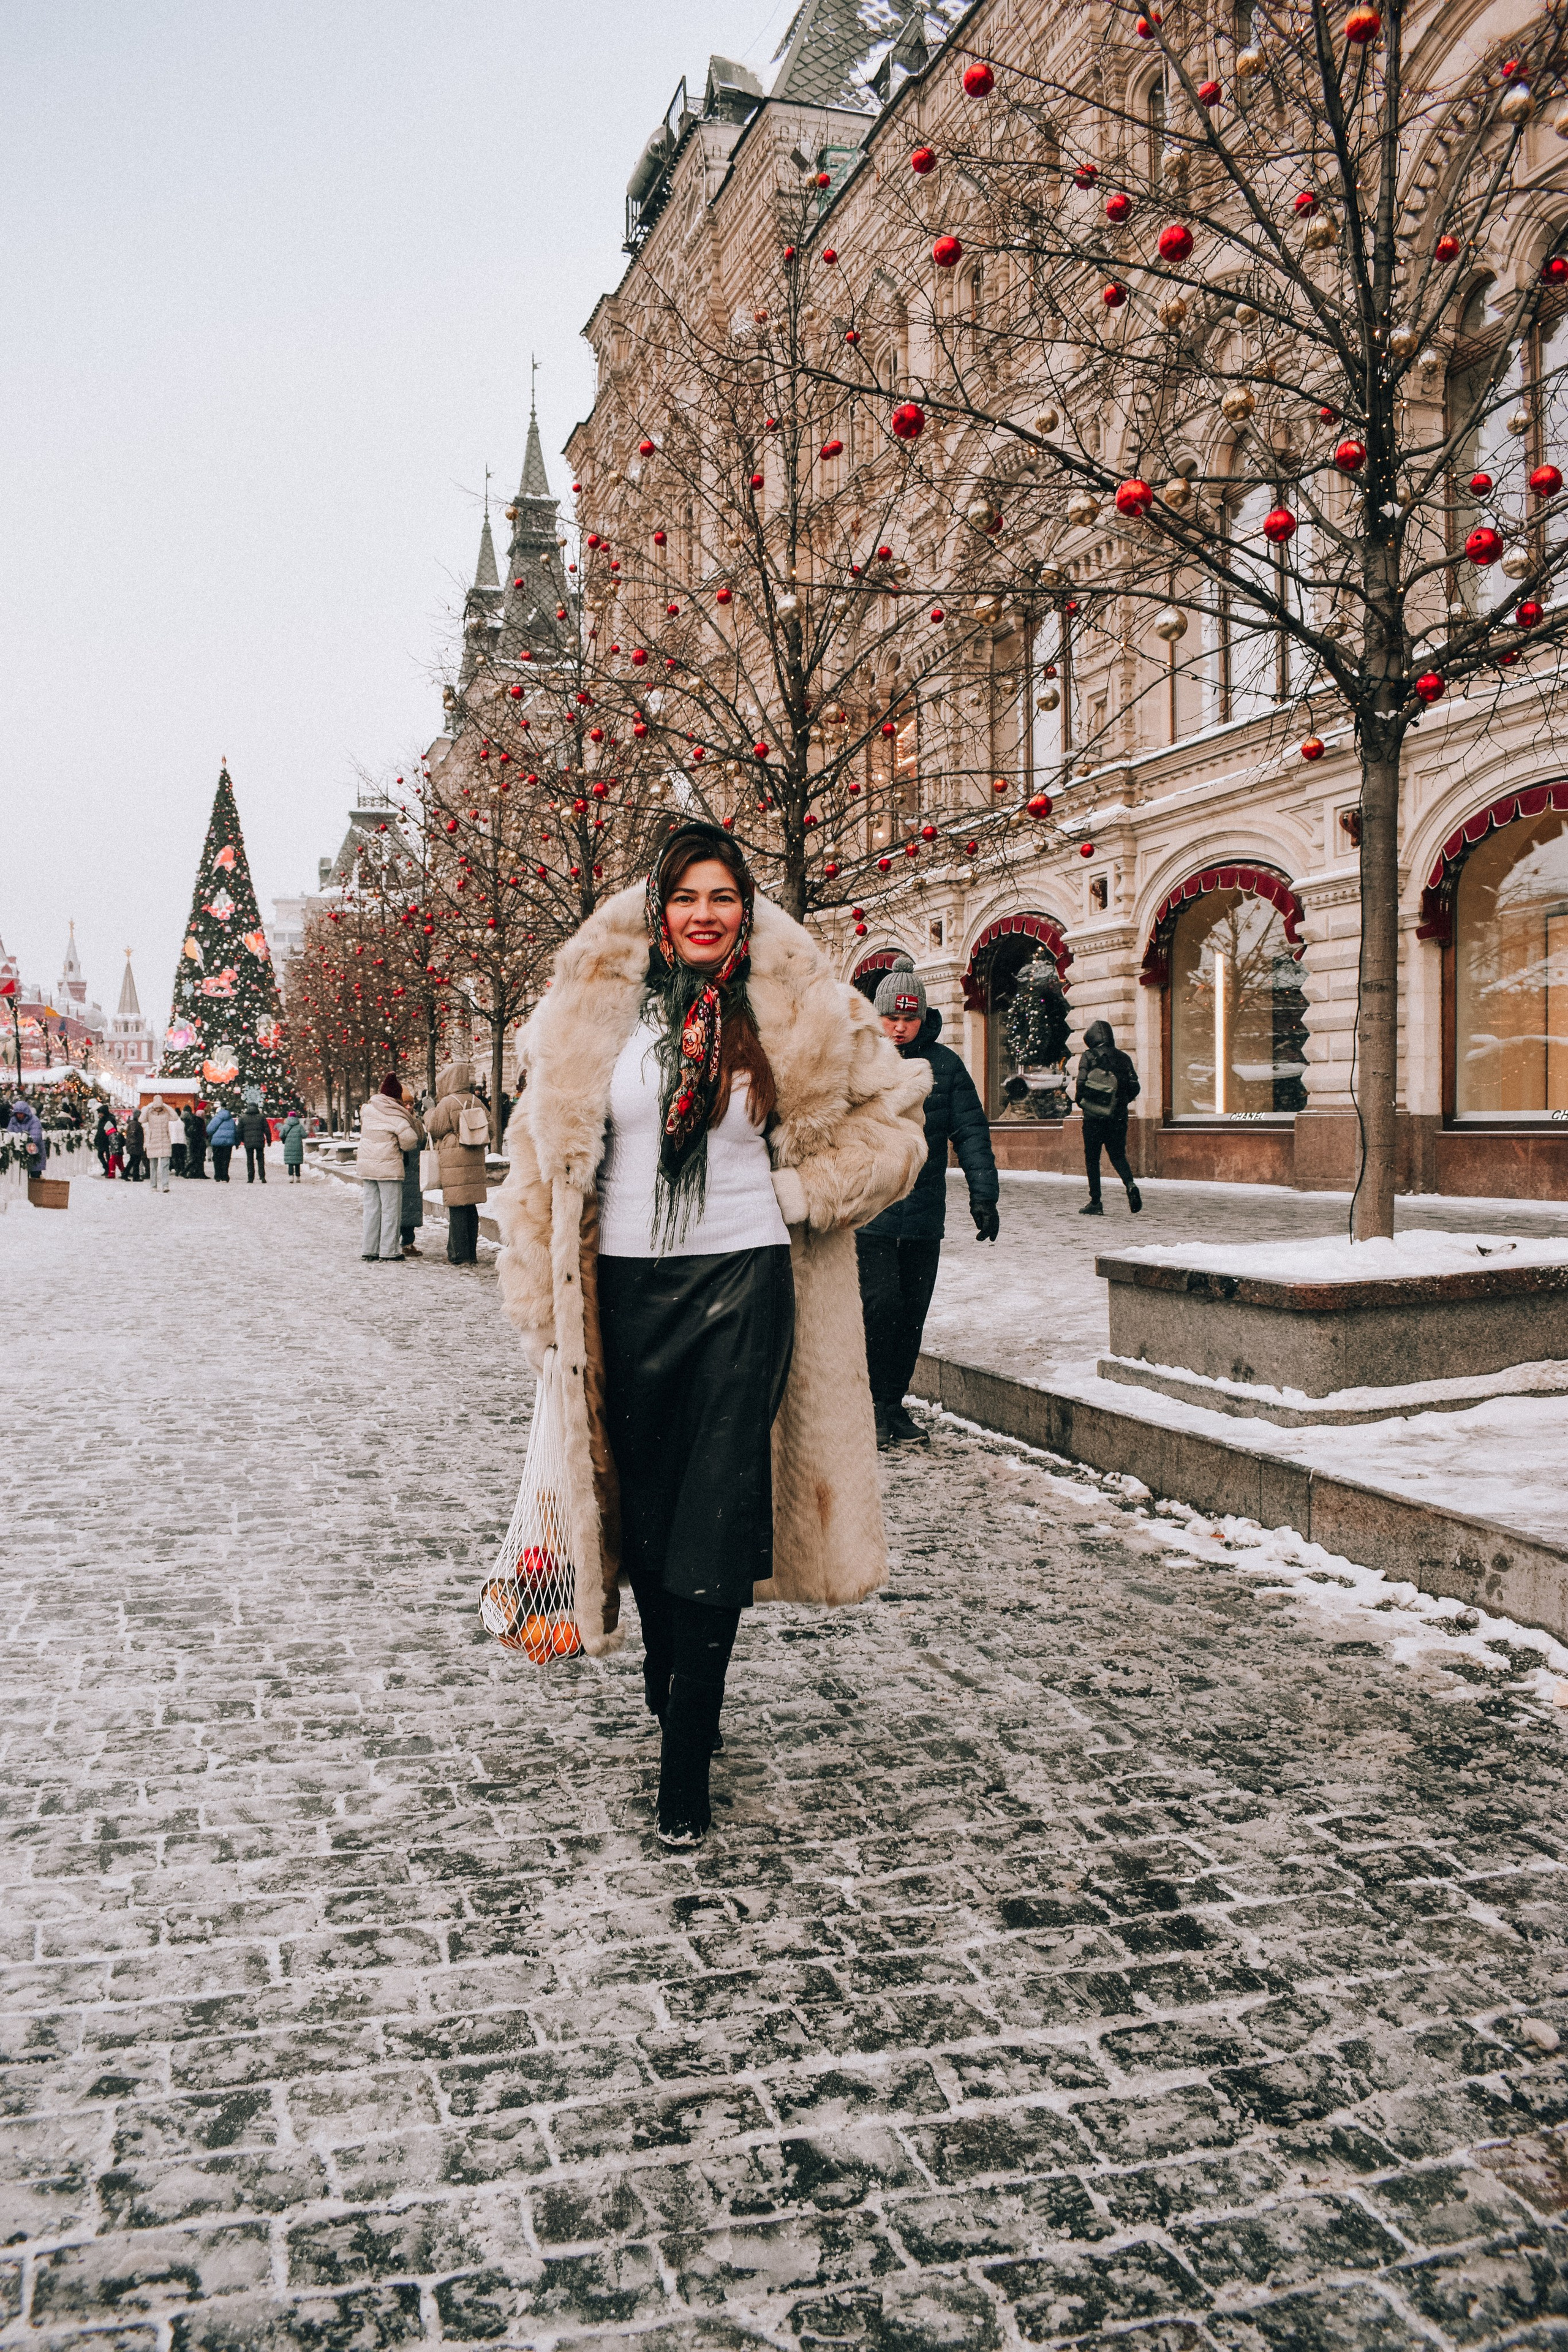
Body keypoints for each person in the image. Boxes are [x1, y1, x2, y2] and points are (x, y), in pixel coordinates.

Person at [493, 821, 928, 1848]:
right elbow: (536, 1164)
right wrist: (540, 1307)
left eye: (722, 896)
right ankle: (664, 1654)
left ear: (745, 907)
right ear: (659, 907)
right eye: (685, 896)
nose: (703, 914)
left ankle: (690, 1741)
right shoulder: (591, 1015)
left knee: (720, 1502)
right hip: (622, 1293)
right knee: (641, 1503)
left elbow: (895, 1124)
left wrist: (801, 1189)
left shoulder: (797, 1002)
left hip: (745, 1280)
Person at [856, 956, 1000, 1450]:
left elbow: (972, 1131)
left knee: (912, 1312)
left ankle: (893, 1405)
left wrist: (985, 1195)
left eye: (908, 1018)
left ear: (923, 1018)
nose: (899, 1027)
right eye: (891, 1018)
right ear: (876, 1016)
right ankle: (869, 1407)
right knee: (881, 1308)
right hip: (870, 1216)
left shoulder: (945, 1065)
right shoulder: (858, 1058)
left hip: (922, 1217)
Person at [1076, 1018, 1143, 1216]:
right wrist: (1119, 1103)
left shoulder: (1088, 1056)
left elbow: (1080, 1086)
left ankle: (1096, 1202)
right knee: (1118, 1155)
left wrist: (1085, 1103)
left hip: (1093, 1118)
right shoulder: (1124, 1058)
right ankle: (1130, 1184)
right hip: (1119, 1117)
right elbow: (1135, 1087)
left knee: (1092, 1158)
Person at [428, 1061, 488, 1264]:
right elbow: (492, 1129)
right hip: (474, 1158)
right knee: (471, 1208)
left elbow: (435, 1129)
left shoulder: (447, 1103)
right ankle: (472, 1253)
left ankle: (458, 1254)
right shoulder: (477, 1101)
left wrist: (430, 1113)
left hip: (454, 1159)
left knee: (457, 1208)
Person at [356, 1073, 418, 1261]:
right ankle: (389, 1251)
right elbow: (410, 1141)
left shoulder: (368, 1111)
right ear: (396, 1097)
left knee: (372, 1209)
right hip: (389, 1169)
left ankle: (369, 1249)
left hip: (368, 1167)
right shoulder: (396, 1115)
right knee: (391, 1210)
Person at [398, 1084, 428, 1256]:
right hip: (402, 1168)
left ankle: (408, 1243)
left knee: (410, 1209)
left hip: (414, 1170)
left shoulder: (417, 1123)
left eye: (411, 1104)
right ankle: (399, 1243)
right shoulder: (400, 1122)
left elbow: (422, 1142)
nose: (409, 1107)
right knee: (401, 1208)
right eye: (405, 1104)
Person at [142, 1095, 176, 1192]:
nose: (158, 1109)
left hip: (165, 1141)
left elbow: (175, 1117)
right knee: (153, 1166)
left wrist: (166, 1106)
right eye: (156, 1107)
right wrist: (148, 1107)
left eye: (159, 1107)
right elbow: (141, 1119)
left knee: (165, 1166)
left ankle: (165, 1186)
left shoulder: (166, 1113)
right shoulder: (149, 1113)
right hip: (153, 1142)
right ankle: (153, 1186)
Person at [7, 1092, 45, 1178]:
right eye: (18, 1113)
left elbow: (37, 1136)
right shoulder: (13, 1120)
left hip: (32, 1149)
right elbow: (10, 1133)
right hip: (17, 1149)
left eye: (21, 1113)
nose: (19, 1115)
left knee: (34, 1171)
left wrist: (25, 1142)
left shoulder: (34, 1121)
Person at [237, 1099, 269, 1184]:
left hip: (248, 1142)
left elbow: (239, 1131)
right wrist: (269, 1140)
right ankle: (262, 1176)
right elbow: (267, 1129)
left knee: (250, 1160)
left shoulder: (243, 1118)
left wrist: (242, 1140)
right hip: (260, 1141)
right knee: (261, 1159)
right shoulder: (261, 1117)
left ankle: (250, 1178)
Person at [206, 1102, 236, 1182]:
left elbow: (210, 1129)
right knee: (226, 1159)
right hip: (228, 1142)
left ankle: (217, 1175)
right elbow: (235, 1131)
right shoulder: (231, 1120)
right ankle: (225, 1176)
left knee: (217, 1158)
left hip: (217, 1141)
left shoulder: (217, 1118)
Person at [182, 1105, 207, 1178]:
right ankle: (186, 1172)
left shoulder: (193, 1120)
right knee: (199, 1158)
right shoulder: (200, 1121)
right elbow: (202, 1132)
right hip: (199, 1141)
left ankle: (194, 1173)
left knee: (196, 1158)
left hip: (193, 1141)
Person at [281, 1109, 306, 1183]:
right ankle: (298, 1177)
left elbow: (281, 1135)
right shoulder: (299, 1126)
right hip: (298, 1146)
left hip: (289, 1146)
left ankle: (291, 1177)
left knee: (291, 1163)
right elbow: (304, 1135)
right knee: (297, 1162)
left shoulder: (285, 1126)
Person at [123, 1107, 147, 1182]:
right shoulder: (135, 1124)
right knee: (136, 1161)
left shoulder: (134, 1124)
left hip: (134, 1146)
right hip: (135, 1146)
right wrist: (135, 1144)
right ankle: (133, 1176)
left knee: (133, 1161)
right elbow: (133, 1135)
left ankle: (127, 1174)